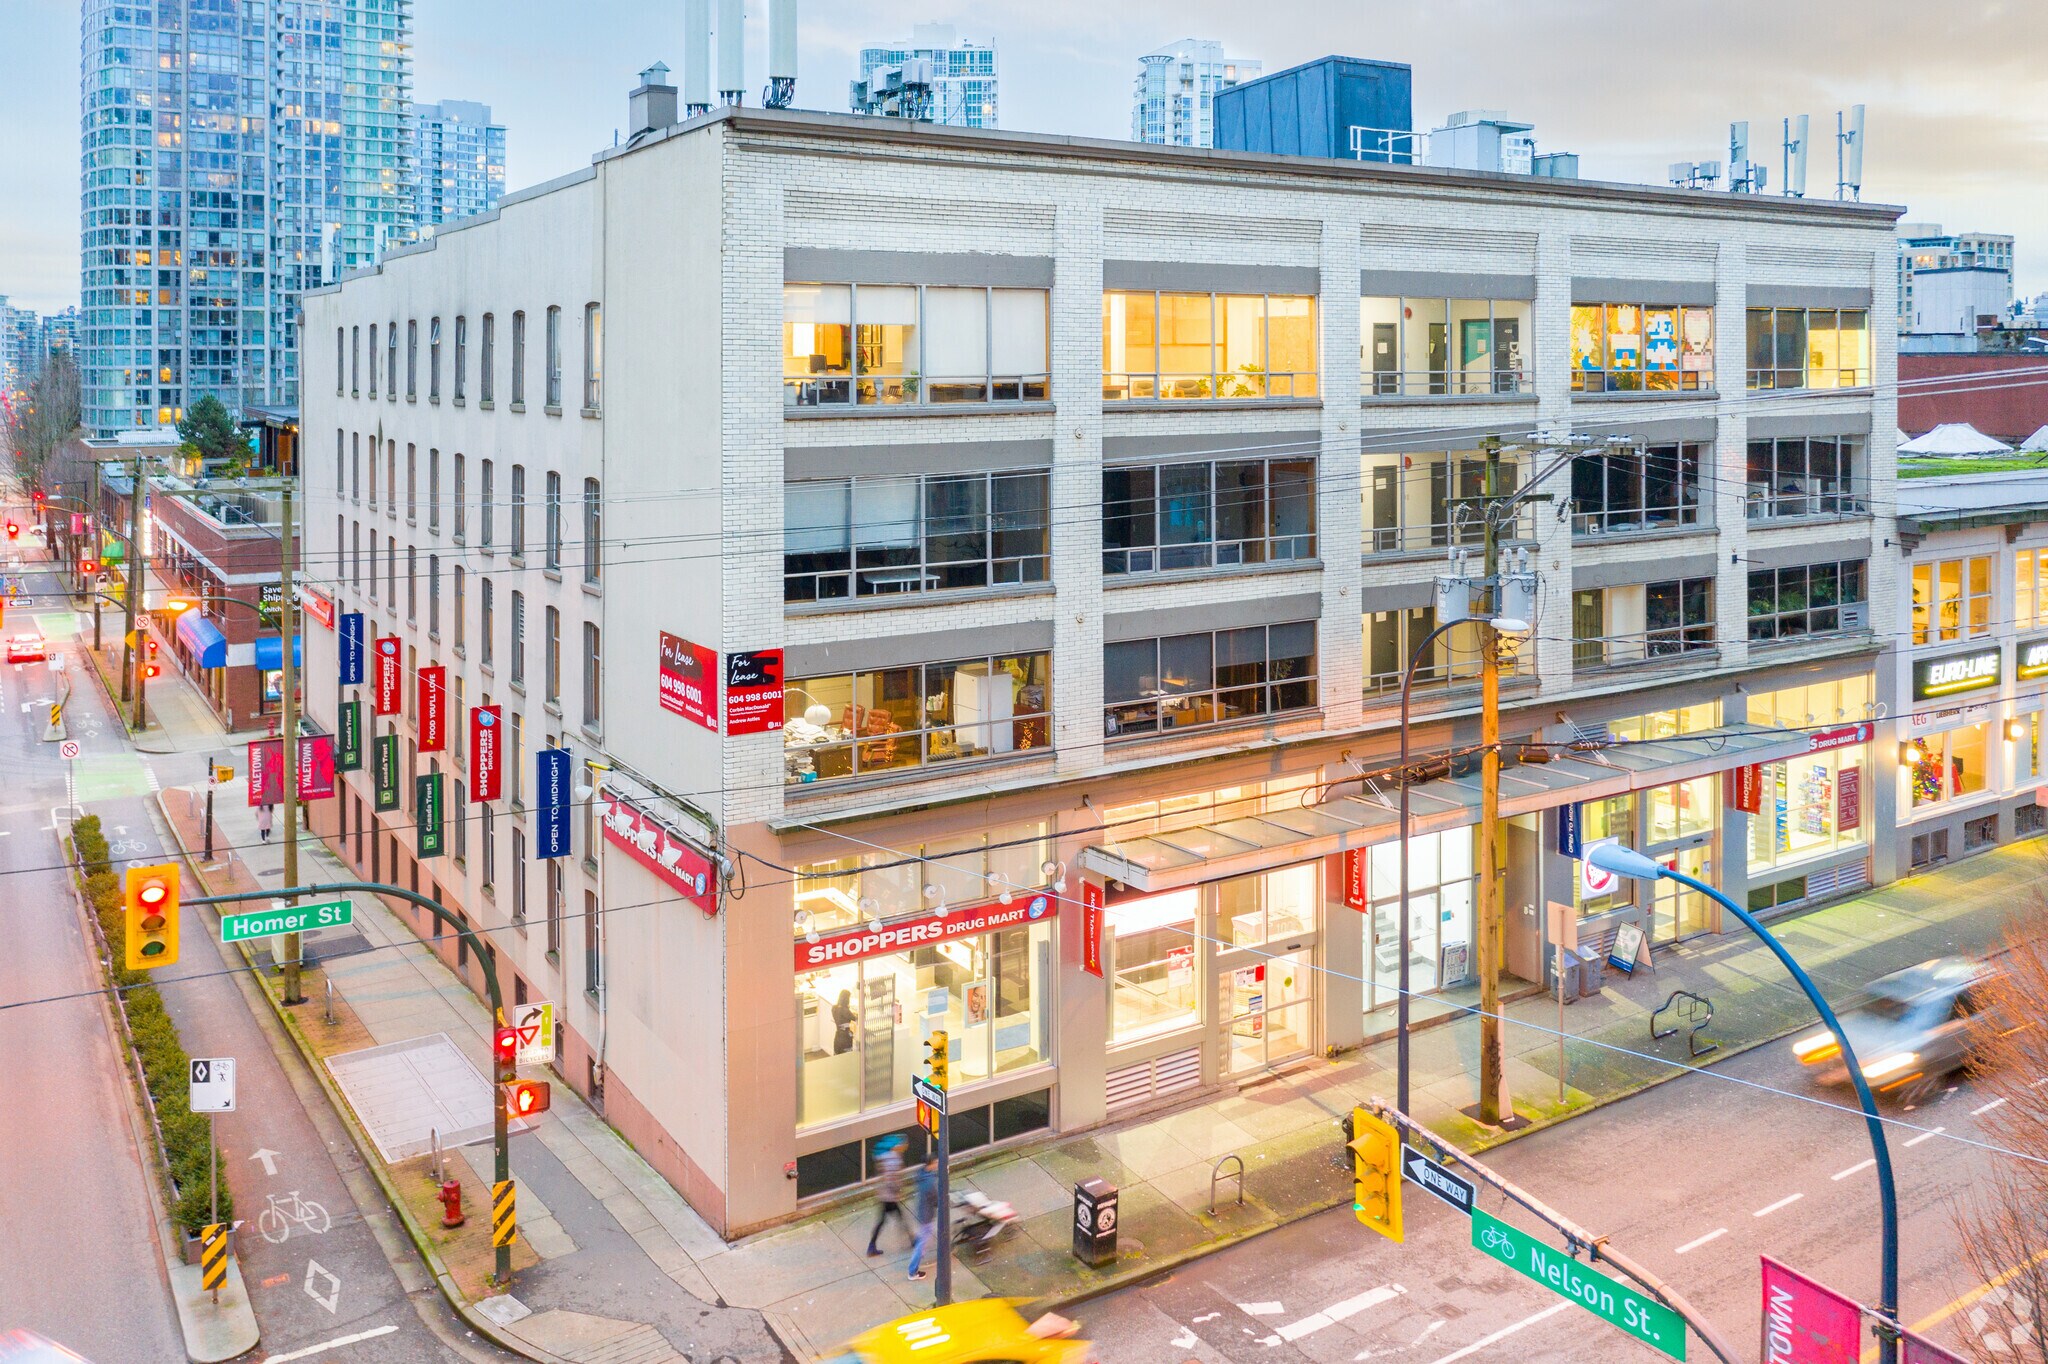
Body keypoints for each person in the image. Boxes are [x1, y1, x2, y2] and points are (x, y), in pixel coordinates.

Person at [865, 1136, 906, 1256]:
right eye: (902, 1144)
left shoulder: (886, 1158)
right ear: (896, 1146)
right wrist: (897, 1191)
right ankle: (911, 1240)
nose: (904, 1146)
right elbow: (890, 1180)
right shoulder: (893, 1160)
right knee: (895, 1219)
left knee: (887, 1220)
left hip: (884, 1195)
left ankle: (872, 1246)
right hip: (889, 1197)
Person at [906, 1153, 941, 1282]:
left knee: (925, 1235)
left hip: (922, 1211)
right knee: (923, 1241)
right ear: (930, 1164)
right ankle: (913, 1271)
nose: (937, 1164)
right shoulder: (929, 1182)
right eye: (935, 1162)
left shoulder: (921, 1174)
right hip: (926, 1214)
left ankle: (920, 1253)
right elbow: (935, 1198)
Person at [831, 989, 856, 1055]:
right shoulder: (845, 1011)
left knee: (837, 1058)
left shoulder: (834, 1008)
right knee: (846, 1059)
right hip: (846, 1038)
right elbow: (855, 1018)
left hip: (838, 1037)